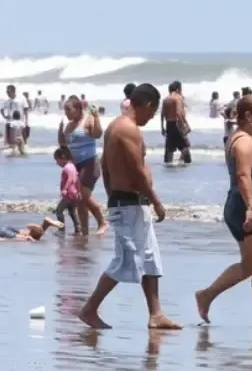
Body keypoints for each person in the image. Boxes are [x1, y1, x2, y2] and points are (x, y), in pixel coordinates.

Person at [78, 83, 180, 330]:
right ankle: (89, 309)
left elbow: (106, 166)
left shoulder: (115, 126)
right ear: (147, 105)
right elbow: (137, 172)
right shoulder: (128, 129)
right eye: (152, 113)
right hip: (129, 203)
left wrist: (112, 195)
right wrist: (156, 202)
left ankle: (156, 314)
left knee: (150, 259)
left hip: (130, 202)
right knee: (125, 261)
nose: (151, 118)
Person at [195, 95, 252, 328]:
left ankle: (207, 296)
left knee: (251, 263)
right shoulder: (244, 142)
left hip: (245, 203)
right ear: (248, 115)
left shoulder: (241, 139)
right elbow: (243, 176)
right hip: (249, 205)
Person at [58, 95, 108, 236]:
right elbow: (63, 144)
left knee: (82, 196)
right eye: (65, 110)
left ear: (78, 108)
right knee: (79, 200)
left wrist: (96, 117)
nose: (66, 113)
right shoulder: (69, 125)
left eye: (68, 110)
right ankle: (84, 231)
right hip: (75, 166)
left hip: (90, 163)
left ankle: (102, 221)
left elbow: (98, 134)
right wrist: (60, 130)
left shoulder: (88, 119)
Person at [160, 81, 192, 165]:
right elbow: (179, 113)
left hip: (169, 124)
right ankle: (186, 164)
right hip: (178, 123)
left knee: (169, 149)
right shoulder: (178, 98)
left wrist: (162, 127)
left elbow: (162, 114)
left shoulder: (165, 99)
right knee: (185, 146)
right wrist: (186, 125)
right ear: (178, 89)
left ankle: (168, 165)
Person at [54, 147, 81, 234]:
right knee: (72, 212)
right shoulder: (72, 166)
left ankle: (61, 229)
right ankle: (78, 229)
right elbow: (77, 180)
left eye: (57, 160)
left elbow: (70, 179)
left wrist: (65, 189)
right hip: (74, 193)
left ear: (63, 157)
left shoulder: (66, 168)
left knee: (59, 211)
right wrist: (78, 191)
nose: (57, 163)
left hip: (68, 194)